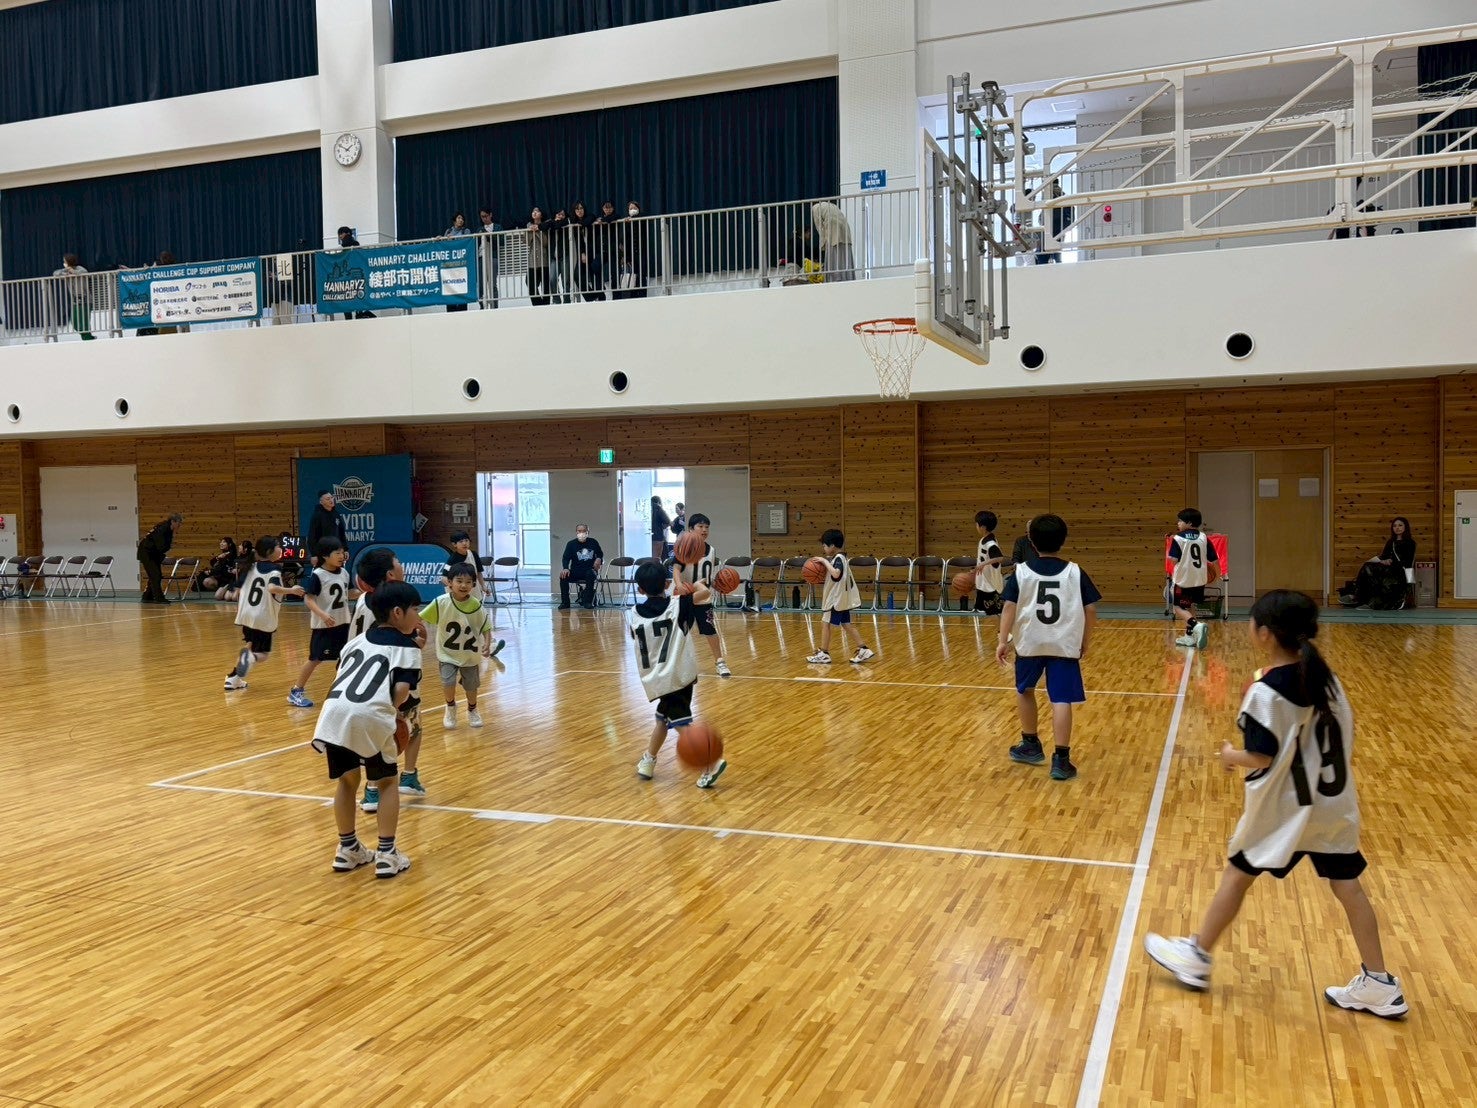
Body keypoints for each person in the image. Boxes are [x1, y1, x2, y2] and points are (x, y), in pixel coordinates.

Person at [1144, 590, 1407, 1018]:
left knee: (1238, 873)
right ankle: (1379, 982)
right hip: (1331, 805)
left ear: (1265, 633)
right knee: (1349, 887)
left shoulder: (1266, 693)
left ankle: (1197, 956)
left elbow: (1261, 756)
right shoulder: (1326, 679)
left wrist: (1230, 755)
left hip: (1284, 810)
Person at [310, 580, 423, 880]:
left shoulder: (355, 641)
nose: (418, 615)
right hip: (371, 715)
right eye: (415, 609)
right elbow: (401, 691)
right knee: (386, 782)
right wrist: (394, 716)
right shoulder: (407, 648)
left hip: (334, 714)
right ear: (397, 613)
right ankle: (387, 853)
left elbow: (341, 675)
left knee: (347, 781)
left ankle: (347, 849)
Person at [995, 513, 1101, 782]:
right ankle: (1061, 760)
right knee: (1061, 699)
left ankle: (1030, 744)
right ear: (1063, 540)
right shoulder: (1075, 571)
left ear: (1031, 541)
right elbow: (1090, 610)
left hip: (1030, 643)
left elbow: (1009, 607)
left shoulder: (1021, 571)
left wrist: (1003, 640)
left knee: (1025, 691)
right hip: (1063, 644)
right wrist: (1085, 640)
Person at [629, 562, 726, 788]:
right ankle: (652, 759)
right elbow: (705, 593)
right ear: (666, 584)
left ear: (640, 590)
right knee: (668, 719)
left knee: (671, 719)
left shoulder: (633, 614)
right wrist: (695, 584)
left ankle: (705, 763)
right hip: (679, 677)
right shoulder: (678, 605)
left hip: (657, 679)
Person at [346, 547, 429, 808]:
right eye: (398, 562)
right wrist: (419, 641)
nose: (402, 564)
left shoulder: (363, 600)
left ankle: (374, 787)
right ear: (391, 574)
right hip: (393, 676)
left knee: (375, 734)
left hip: (361, 675)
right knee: (412, 727)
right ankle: (405, 777)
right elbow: (402, 646)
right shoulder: (395, 609)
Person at [223, 535, 305, 691]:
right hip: (262, 616)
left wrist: (235, 594)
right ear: (269, 551)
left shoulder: (250, 566)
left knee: (249, 645)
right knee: (263, 654)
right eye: (278, 546)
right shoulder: (274, 569)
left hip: (246, 615)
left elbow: (234, 590)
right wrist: (292, 590)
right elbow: (272, 588)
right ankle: (250, 659)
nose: (281, 549)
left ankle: (234, 678)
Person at [421, 563, 493, 730]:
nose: (463, 585)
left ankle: (472, 709)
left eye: (468, 582)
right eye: (459, 581)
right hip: (447, 654)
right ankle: (450, 707)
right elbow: (420, 619)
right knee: (448, 682)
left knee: (471, 687)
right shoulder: (441, 602)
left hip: (469, 654)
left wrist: (487, 643)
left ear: (473, 584)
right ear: (449, 582)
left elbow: (486, 626)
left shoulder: (476, 605)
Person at [288, 538, 357, 708]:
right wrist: (323, 615)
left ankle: (342, 691)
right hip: (324, 626)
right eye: (337, 553)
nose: (341, 556)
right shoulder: (318, 575)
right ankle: (296, 691)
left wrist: (366, 591)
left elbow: (349, 593)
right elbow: (308, 599)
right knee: (315, 659)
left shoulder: (344, 573)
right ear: (325, 556)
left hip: (343, 623)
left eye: (342, 552)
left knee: (345, 658)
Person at [673, 514, 732, 677]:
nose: (704, 530)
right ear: (691, 529)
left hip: (703, 598)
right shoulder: (684, 547)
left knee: (710, 630)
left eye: (707, 527)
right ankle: (676, 665)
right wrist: (678, 585)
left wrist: (718, 584)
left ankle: (720, 662)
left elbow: (707, 574)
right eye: (700, 526)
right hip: (685, 596)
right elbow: (676, 569)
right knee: (680, 632)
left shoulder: (711, 550)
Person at [805, 529, 875, 665]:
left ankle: (824, 653)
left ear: (832, 545)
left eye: (824, 546)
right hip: (841, 599)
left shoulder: (838, 558)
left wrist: (824, 561)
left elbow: (836, 574)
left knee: (825, 623)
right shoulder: (840, 558)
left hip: (835, 600)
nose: (824, 549)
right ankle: (863, 649)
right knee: (847, 624)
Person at [1338, 518, 1416, 610]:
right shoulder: (1390, 542)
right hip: (1387, 568)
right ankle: (1357, 596)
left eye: (1400, 525)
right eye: (1394, 526)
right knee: (1367, 566)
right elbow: (1384, 556)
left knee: (1372, 570)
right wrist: (1382, 561)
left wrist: (1391, 562)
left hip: (1399, 572)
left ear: (1405, 527)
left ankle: (1358, 597)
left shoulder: (1410, 543)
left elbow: (1407, 562)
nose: (1397, 528)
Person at [1169, 508, 1219, 649]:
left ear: (1189, 523)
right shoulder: (1204, 537)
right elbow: (1214, 560)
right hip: (1199, 579)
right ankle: (1189, 636)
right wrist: (1218, 574)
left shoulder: (1178, 538)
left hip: (1183, 579)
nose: (1178, 523)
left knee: (1177, 607)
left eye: (1180, 521)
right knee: (1190, 605)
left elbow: (1173, 560)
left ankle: (1196, 625)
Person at [138, 513, 183, 603]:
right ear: (173, 521)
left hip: (152, 553)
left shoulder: (168, 529)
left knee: (155, 575)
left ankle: (147, 596)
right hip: (147, 553)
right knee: (155, 575)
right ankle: (159, 598)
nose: (180, 524)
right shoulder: (163, 529)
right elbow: (160, 545)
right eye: (179, 522)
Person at [559, 524, 604, 609]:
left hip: (590, 571)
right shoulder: (571, 544)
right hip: (576, 571)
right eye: (579, 531)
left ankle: (588, 602)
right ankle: (565, 603)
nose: (581, 533)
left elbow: (600, 554)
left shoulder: (593, 542)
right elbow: (566, 558)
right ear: (576, 532)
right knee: (563, 576)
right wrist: (565, 568)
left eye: (584, 531)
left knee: (590, 574)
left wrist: (599, 558)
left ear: (588, 532)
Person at [810, 201, 856, 281]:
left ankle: (835, 279)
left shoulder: (815, 208)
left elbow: (819, 226)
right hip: (845, 229)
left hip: (832, 226)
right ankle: (847, 278)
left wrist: (823, 245)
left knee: (833, 254)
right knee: (844, 254)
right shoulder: (831, 205)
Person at [53, 254, 95, 339]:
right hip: (75, 301)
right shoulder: (66, 271)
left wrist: (73, 271)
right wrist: (65, 272)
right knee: (75, 322)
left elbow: (84, 272)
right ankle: (88, 337)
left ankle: (88, 339)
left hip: (85, 300)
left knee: (84, 322)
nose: (64, 263)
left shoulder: (80, 268)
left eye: (65, 261)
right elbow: (55, 273)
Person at [568, 202, 603, 302]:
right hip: (583, 252)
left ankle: (601, 297)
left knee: (594, 274)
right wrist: (582, 253)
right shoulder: (574, 223)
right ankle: (591, 296)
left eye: (581, 208)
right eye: (577, 209)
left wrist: (580, 223)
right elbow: (578, 241)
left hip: (594, 250)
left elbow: (588, 221)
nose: (579, 211)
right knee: (577, 274)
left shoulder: (590, 216)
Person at [973, 511, 1007, 614]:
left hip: (991, 584)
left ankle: (1001, 626)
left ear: (982, 527)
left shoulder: (990, 543)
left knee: (994, 612)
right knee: (985, 611)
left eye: (977, 524)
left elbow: (999, 558)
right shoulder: (984, 539)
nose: (976, 526)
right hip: (985, 582)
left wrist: (982, 564)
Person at [306, 491, 348, 567]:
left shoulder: (336, 514)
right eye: (328, 499)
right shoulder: (317, 516)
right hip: (323, 553)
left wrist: (345, 549)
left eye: (332, 498)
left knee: (338, 573)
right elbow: (312, 536)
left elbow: (341, 534)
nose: (331, 500)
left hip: (336, 551)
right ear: (321, 502)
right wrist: (313, 555)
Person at [443, 212, 473, 312]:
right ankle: (450, 309)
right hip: (450, 265)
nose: (461, 220)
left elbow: (467, 241)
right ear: (454, 220)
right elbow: (444, 245)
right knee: (450, 286)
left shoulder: (466, 231)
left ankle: (462, 308)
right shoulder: (448, 231)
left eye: (462, 219)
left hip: (462, 263)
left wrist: (454, 239)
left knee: (461, 286)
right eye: (459, 218)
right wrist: (441, 239)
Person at [526, 207, 552, 306]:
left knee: (545, 284)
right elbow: (527, 242)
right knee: (530, 282)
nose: (534, 212)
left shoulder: (545, 225)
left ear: (541, 214)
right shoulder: (529, 225)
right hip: (532, 260)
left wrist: (538, 229)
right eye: (533, 211)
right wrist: (531, 229)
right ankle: (537, 305)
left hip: (544, 259)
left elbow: (545, 242)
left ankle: (546, 305)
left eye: (537, 211)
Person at [478, 208, 502, 309]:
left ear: (490, 215)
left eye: (486, 216)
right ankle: (482, 306)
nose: (484, 218)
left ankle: (494, 306)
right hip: (481, 257)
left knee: (492, 283)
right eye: (482, 217)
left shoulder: (497, 227)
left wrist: (488, 236)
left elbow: (501, 242)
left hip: (493, 256)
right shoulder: (479, 229)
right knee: (481, 284)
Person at [650, 496, 671, 561]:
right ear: (659, 502)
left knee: (648, 557)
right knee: (656, 558)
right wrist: (661, 527)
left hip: (647, 536)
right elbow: (668, 521)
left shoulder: (646, 508)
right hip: (657, 536)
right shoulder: (658, 509)